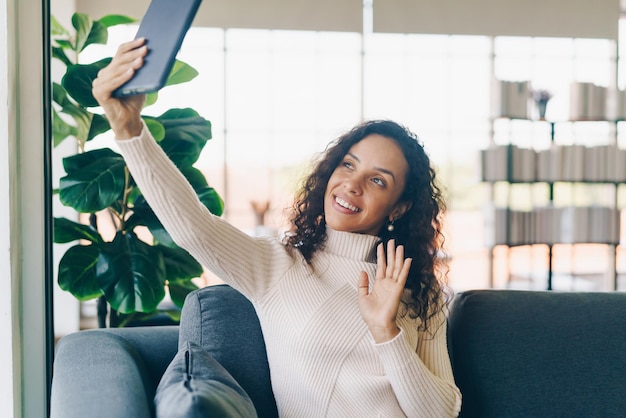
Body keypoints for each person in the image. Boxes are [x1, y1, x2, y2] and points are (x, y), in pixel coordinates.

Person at [92, 37, 462, 418]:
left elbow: (442, 412)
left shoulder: (420, 291)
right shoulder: (279, 265)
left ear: (399, 208)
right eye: (348, 165)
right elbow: (192, 226)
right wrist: (128, 128)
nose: (353, 184)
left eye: (378, 180)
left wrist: (387, 332)